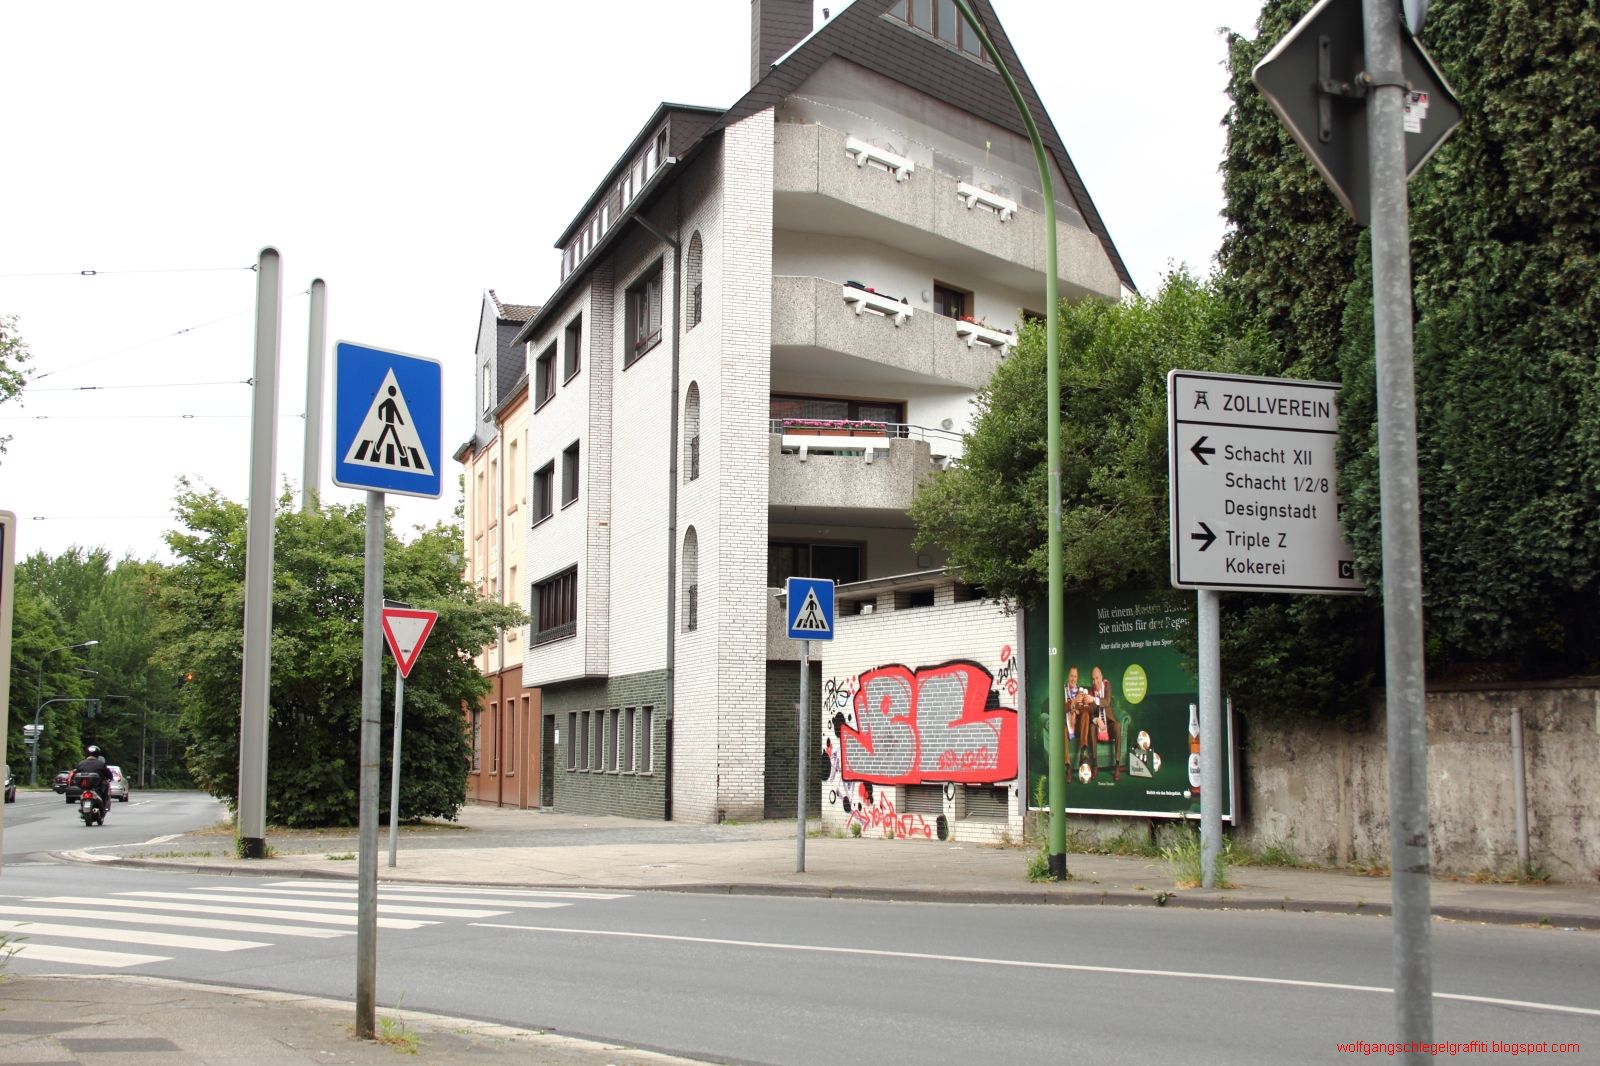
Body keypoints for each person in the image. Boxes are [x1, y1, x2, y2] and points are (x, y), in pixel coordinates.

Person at [73, 745, 111, 813]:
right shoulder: (101, 764)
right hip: (97, 787)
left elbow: (74, 774)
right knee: (105, 790)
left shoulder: (81, 763)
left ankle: (82, 806)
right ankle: (104, 806)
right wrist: (109, 778)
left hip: (84, 787)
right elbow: (109, 775)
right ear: (97, 754)